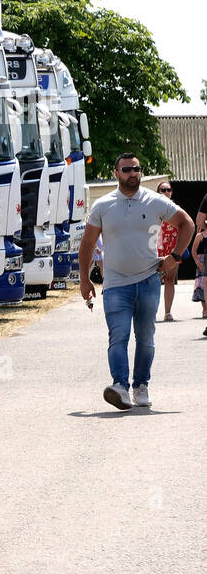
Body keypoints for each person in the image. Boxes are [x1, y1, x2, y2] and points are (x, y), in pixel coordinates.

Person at [78, 153, 194, 410]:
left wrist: (175, 257)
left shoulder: (155, 202)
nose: (133, 173)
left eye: (137, 169)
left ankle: (141, 385)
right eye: (127, 169)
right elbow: (87, 244)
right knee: (118, 336)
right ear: (116, 173)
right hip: (115, 284)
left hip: (148, 281)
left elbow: (187, 223)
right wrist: (84, 279)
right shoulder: (103, 205)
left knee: (146, 337)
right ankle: (120, 386)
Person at [155, 181, 180, 320]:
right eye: (162, 190)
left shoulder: (177, 209)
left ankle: (167, 312)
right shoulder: (151, 207)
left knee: (170, 279)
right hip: (155, 248)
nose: (166, 192)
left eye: (168, 190)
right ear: (158, 192)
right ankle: (150, 312)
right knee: (153, 281)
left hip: (172, 248)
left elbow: (186, 226)